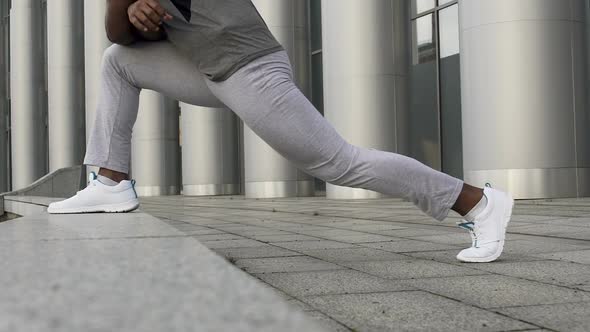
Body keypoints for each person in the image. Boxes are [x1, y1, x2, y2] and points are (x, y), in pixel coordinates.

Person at [48, 0, 514, 263]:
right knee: (119, 63)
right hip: (209, 69)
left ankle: (477, 202)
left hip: (252, 69)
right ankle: (110, 181)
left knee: (338, 162)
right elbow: (122, 35)